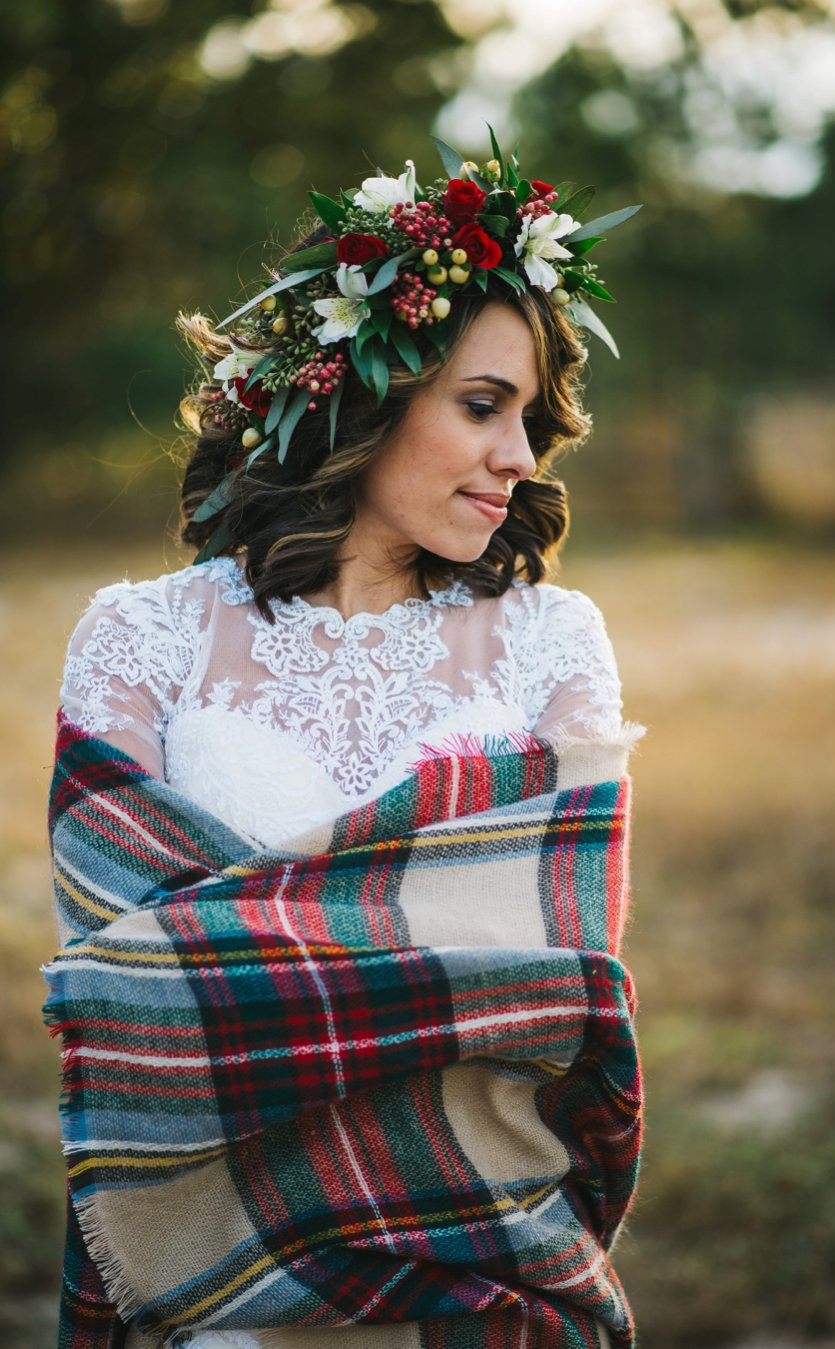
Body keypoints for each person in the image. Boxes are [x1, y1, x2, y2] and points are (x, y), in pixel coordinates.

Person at [49, 140, 644, 1349]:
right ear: (361, 393)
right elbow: (123, 987)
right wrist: (412, 959)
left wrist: (253, 948)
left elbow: (557, 990)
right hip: (199, 1244)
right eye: (483, 405)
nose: (521, 457)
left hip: (477, 1235)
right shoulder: (140, 636)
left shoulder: (551, 640)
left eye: (530, 418)